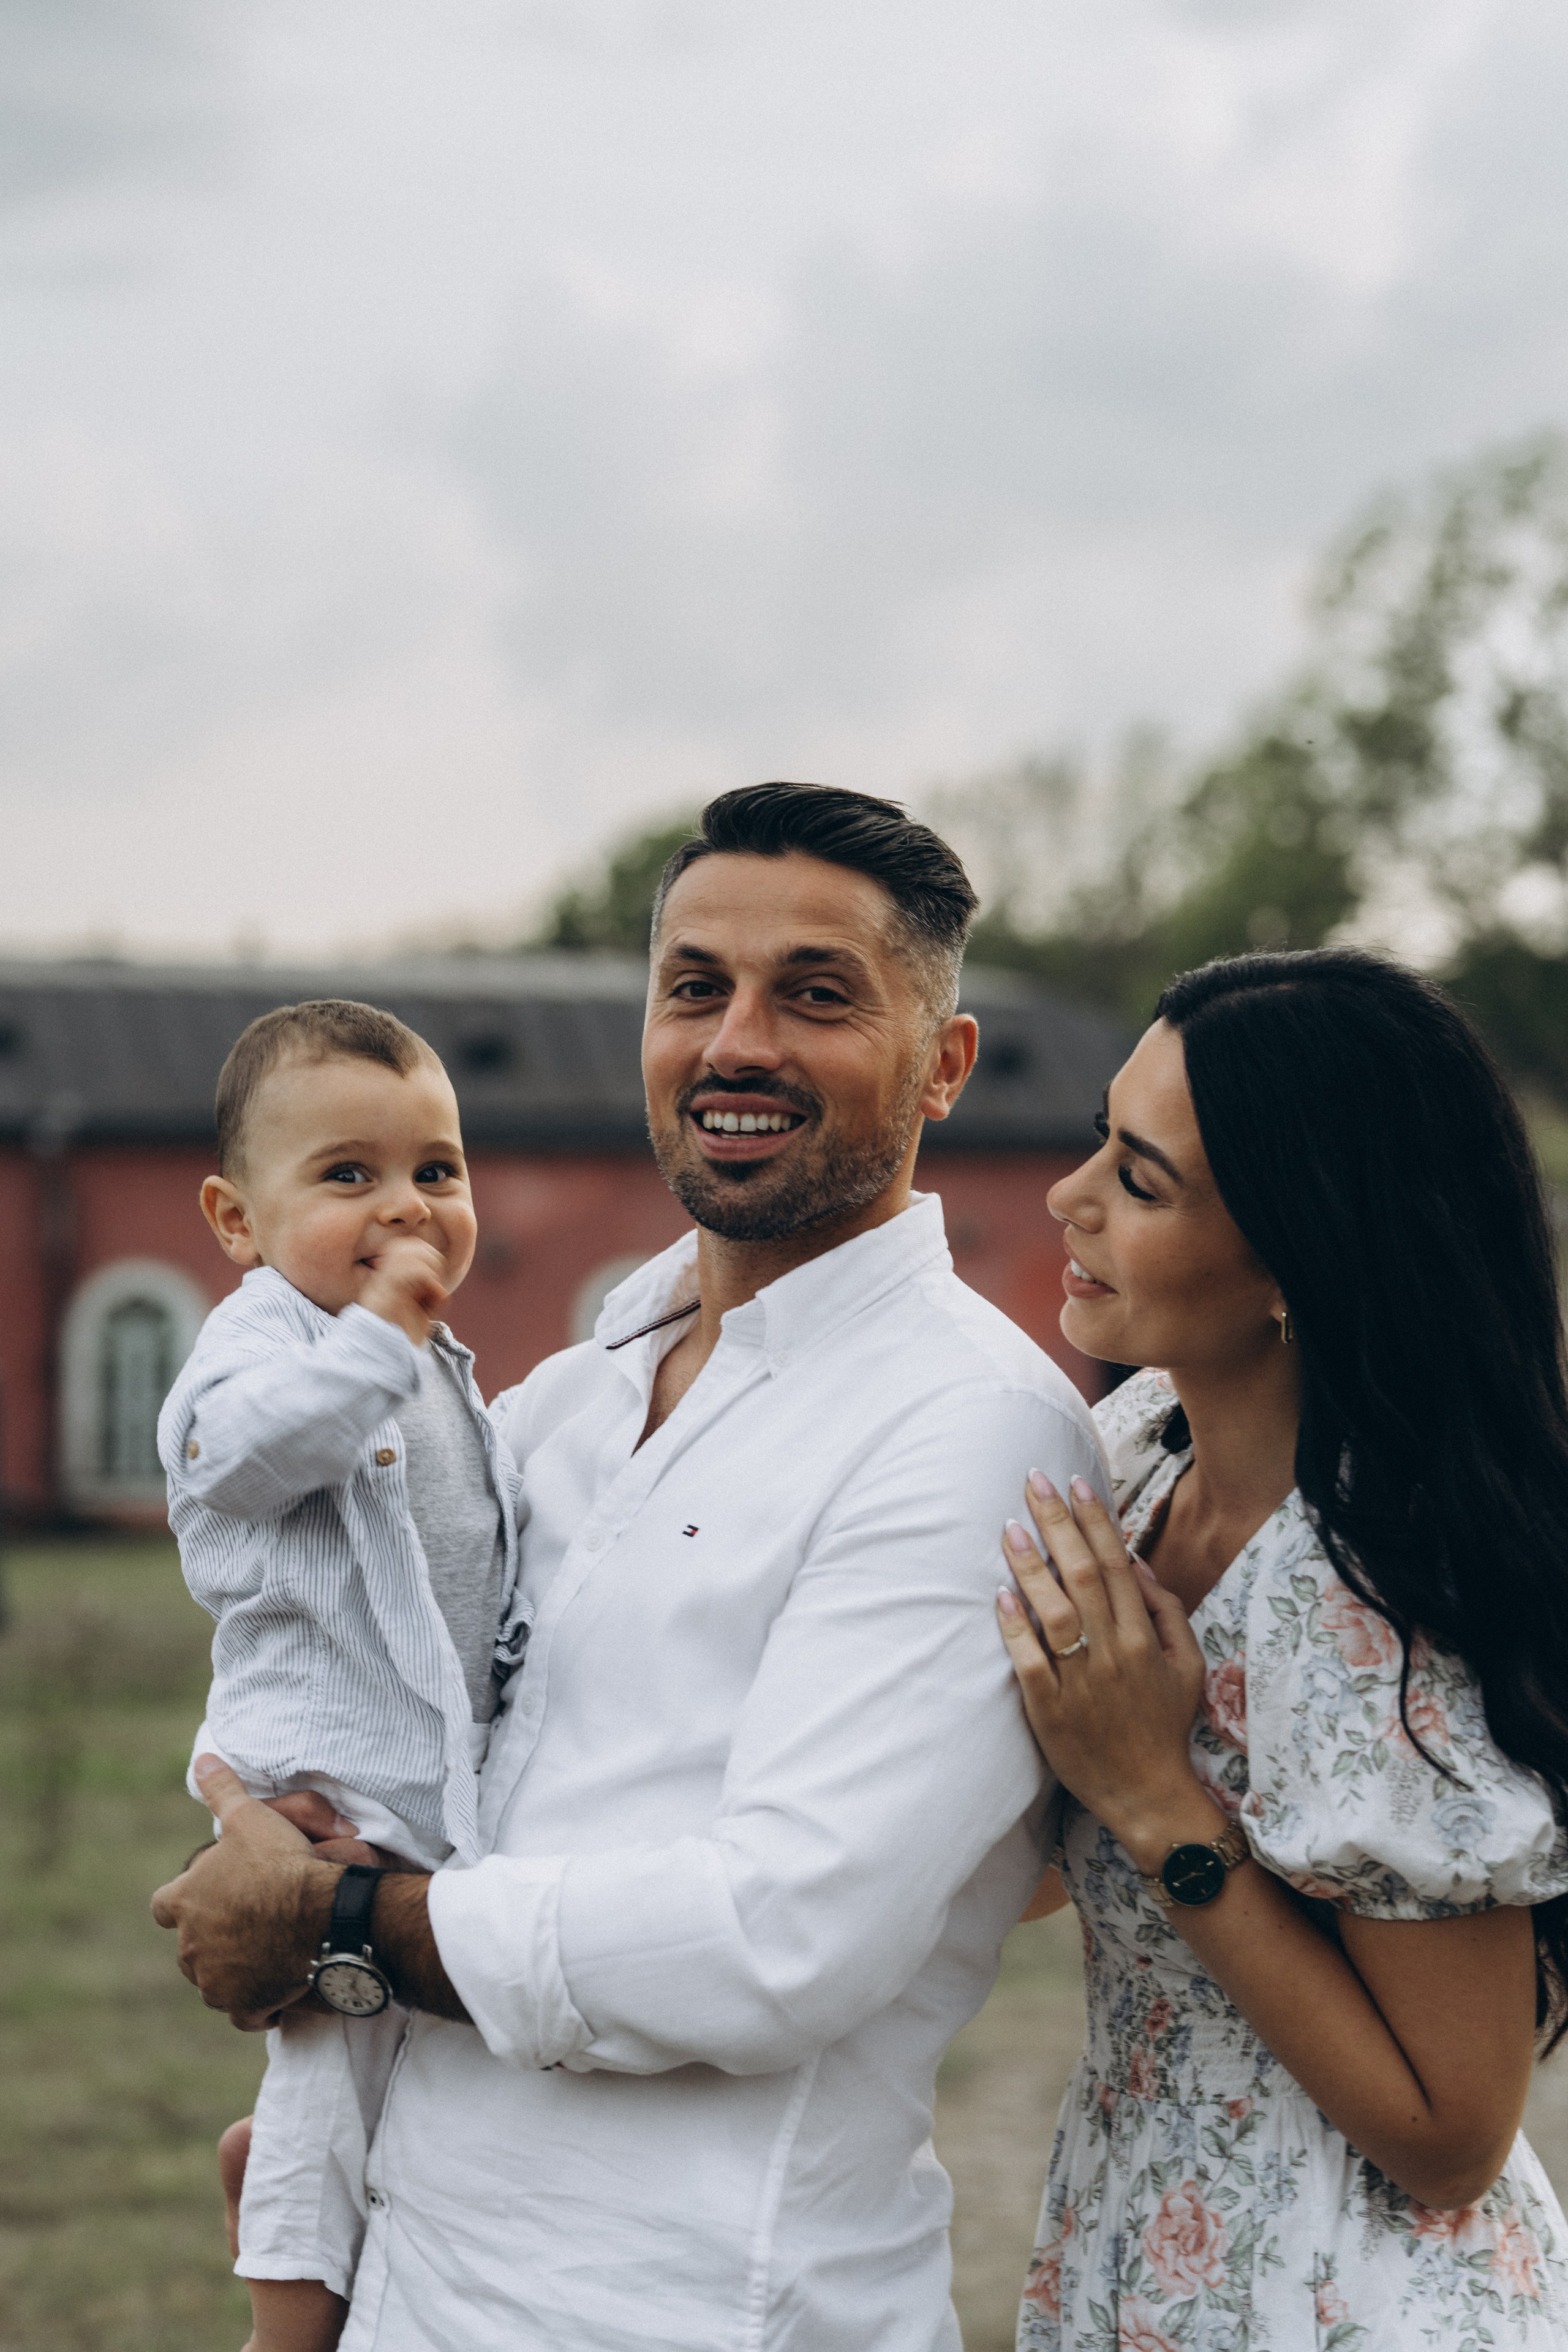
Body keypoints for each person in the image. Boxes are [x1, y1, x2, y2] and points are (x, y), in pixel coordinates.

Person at [153, 782, 1109, 2352]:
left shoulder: (968, 1429)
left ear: (942, 1063)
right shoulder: (564, 1395)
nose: (736, 1043)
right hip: (413, 2277)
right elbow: (370, 1653)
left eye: (814, 995)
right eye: (693, 990)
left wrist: (331, 1923)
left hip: (685, 2308)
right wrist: (250, 1803)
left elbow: (774, 1940)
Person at [994, 947, 1568, 2348]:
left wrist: (1155, 1804)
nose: (1067, 1202)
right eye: (1098, 1146)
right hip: (1140, 2245)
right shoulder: (1136, 1456)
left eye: (1139, 1182)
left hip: (1348, 2299)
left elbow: (1451, 2137)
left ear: (1298, 1257)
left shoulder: (1373, 1595)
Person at [158, 998, 525, 2352]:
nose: (406, 1205)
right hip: (319, 1775)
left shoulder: (440, 1366)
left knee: (409, 2063)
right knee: (329, 2051)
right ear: (236, 1221)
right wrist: (375, 1336)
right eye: (347, 1176)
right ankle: (288, 2320)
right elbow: (244, 1457)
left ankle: (294, 2201)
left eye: (437, 1170)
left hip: (414, 1778)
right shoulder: (265, 1344)